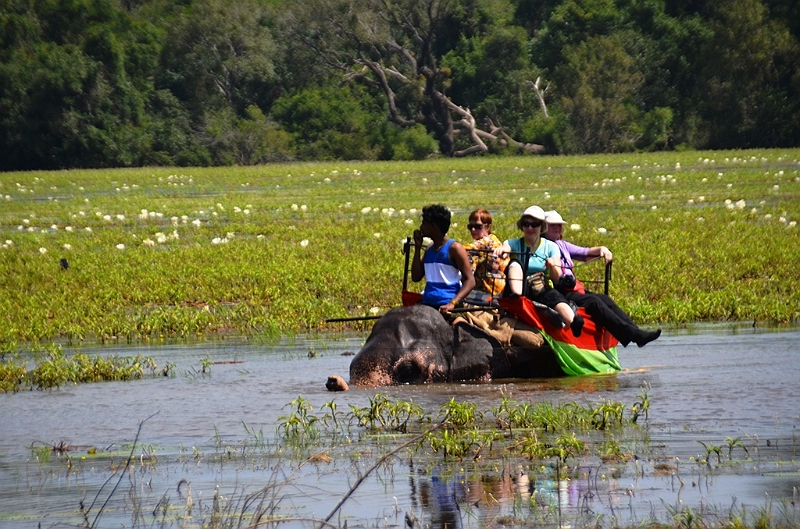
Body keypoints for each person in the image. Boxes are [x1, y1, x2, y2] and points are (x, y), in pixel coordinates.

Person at [543, 210, 661, 347]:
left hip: (573, 288)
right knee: (593, 302)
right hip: (559, 291)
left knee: (605, 299)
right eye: (553, 225)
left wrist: (602, 249)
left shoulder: (562, 244)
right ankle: (633, 334)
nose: (557, 228)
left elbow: (584, 252)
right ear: (544, 227)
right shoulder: (543, 247)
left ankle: (636, 333)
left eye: (559, 225)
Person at [495, 206, 584, 337]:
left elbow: (556, 277)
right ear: (522, 227)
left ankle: (573, 321)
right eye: (526, 224)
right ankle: (517, 296)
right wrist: (502, 250)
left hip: (539, 286)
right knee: (515, 264)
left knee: (553, 295)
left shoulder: (551, 247)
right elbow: (506, 247)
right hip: (519, 286)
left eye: (534, 224)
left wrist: (552, 266)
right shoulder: (514, 243)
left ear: (541, 227)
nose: (530, 228)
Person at [411, 204, 476, 319]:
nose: (421, 227)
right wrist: (417, 247)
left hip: (447, 305)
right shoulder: (429, 248)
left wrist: (452, 303)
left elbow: (470, 281)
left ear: (433, 226)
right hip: (427, 304)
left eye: (424, 223)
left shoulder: (454, 248)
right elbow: (416, 277)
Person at [463, 208, 508, 302]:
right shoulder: (493, 238)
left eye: (478, 226)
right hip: (496, 286)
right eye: (470, 226)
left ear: (488, 227)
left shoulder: (486, 242)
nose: (473, 229)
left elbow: (463, 249)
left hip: (492, 289)